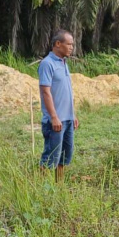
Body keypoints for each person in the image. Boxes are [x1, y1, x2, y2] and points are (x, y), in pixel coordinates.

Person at [38, 29, 79, 181]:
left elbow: (66, 92)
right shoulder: (47, 64)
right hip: (55, 121)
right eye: (68, 44)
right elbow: (46, 93)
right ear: (57, 44)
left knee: (63, 157)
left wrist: (72, 115)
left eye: (72, 45)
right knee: (50, 157)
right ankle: (42, 190)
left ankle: (58, 187)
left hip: (67, 119)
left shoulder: (63, 63)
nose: (71, 47)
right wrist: (54, 117)